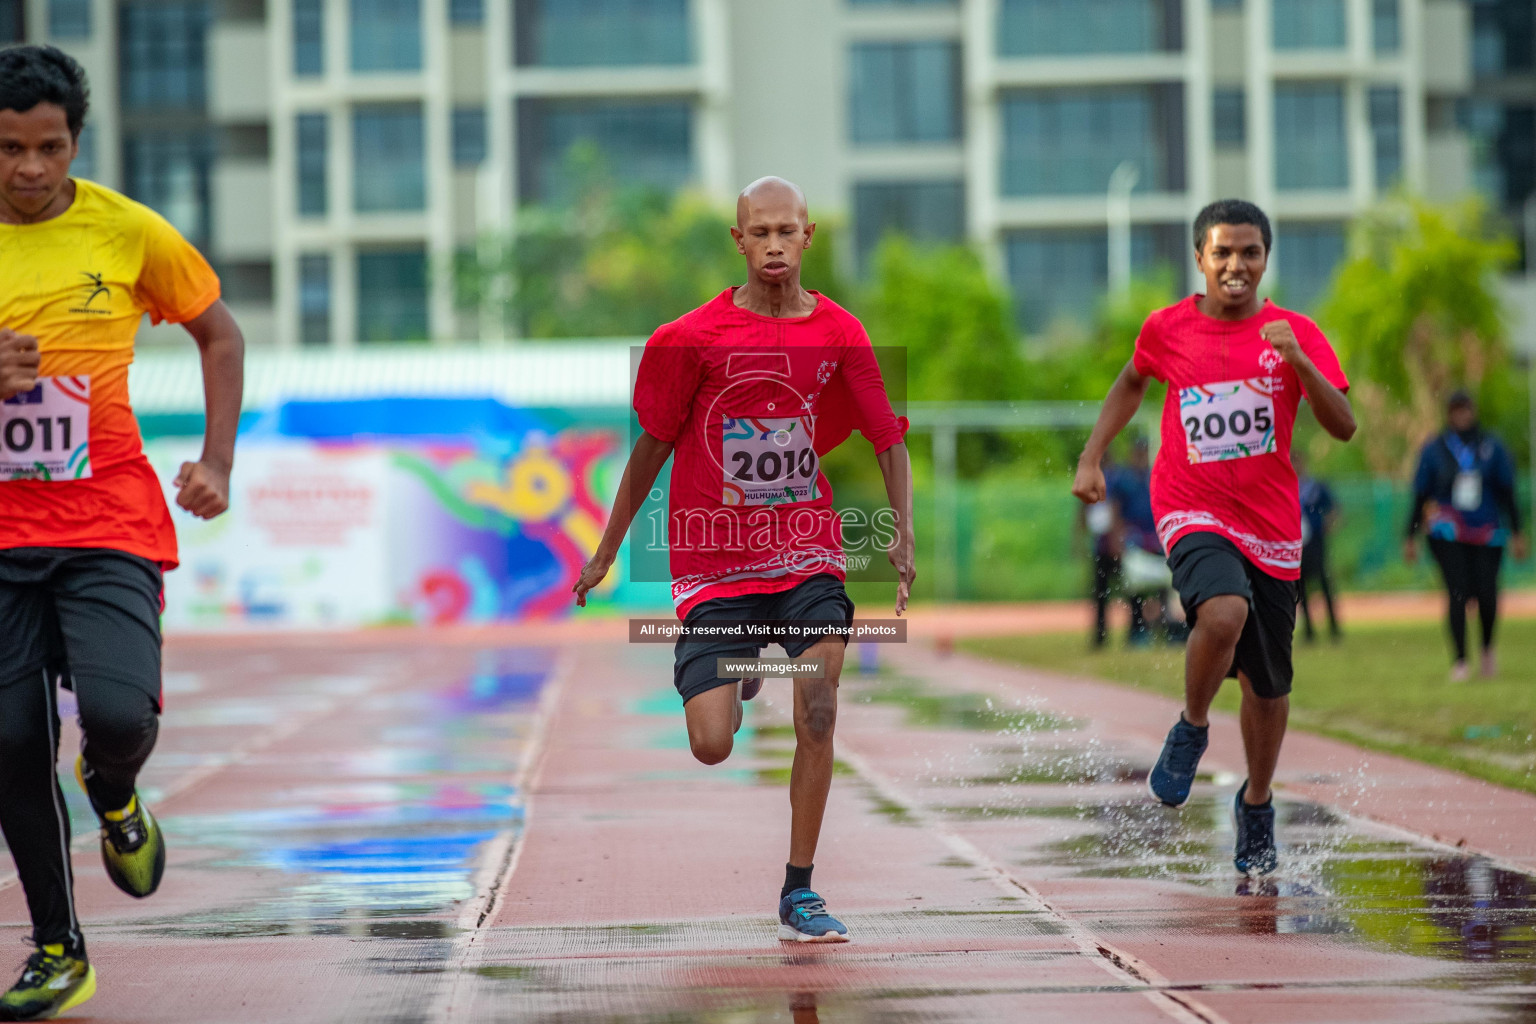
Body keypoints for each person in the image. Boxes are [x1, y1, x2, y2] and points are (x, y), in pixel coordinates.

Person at [573, 177, 914, 943]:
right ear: (738, 240)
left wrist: (902, 531)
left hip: (807, 551)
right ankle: (749, 662)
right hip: (714, 564)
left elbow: (888, 435)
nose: (773, 245)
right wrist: (606, 551)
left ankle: (800, 890)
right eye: (758, 232)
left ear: (808, 236)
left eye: (786, 232)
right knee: (711, 743)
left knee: (819, 707)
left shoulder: (840, 334)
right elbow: (652, 446)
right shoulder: (688, 339)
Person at [0, 46, 244, 1020]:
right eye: (8, 148)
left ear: (75, 144)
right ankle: (58, 947)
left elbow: (219, 332)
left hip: (106, 519)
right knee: (11, 744)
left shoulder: (128, 231)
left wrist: (217, 459)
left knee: (117, 717)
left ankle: (115, 793)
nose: (27, 168)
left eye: (48, 147)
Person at [1072, 199, 1355, 877]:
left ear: (1266, 259)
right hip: (1190, 507)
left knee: (1267, 685)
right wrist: (1091, 457)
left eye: (1250, 252)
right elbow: (1131, 381)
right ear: (1199, 258)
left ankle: (1256, 802)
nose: (1236, 265)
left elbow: (1344, 424)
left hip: (1272, 524)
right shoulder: (1167, 327)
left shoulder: (1295, 331)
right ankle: (1193, 725)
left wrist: (1302, 366)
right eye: (1222, 252)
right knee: (1222, 612)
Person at [1404, 390, 1525, 680]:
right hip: (1448, 531)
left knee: (1487, 592)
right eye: (1456, 410)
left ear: (1473, 411)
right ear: (1449, 414)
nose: (1462, 415)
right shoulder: (1435, 448)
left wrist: (1518, 531)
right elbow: (1420, 494)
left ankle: (1487, 649)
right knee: (1457, 592)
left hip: (1487, 530)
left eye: (1465, 409)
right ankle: (1460, 660)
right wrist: (1410, 536)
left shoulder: (1492, 446)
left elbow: (1507, 491)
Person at [1294, 449, 1341, 642]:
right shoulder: (1286, 487)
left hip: (1315, 541)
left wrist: (1328, 525)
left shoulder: (1315, 487)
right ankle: (1309, 630)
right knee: (1301, 587)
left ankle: (1333, 627)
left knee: (1323, 582)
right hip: (1295, 544)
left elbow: (1333, 509)